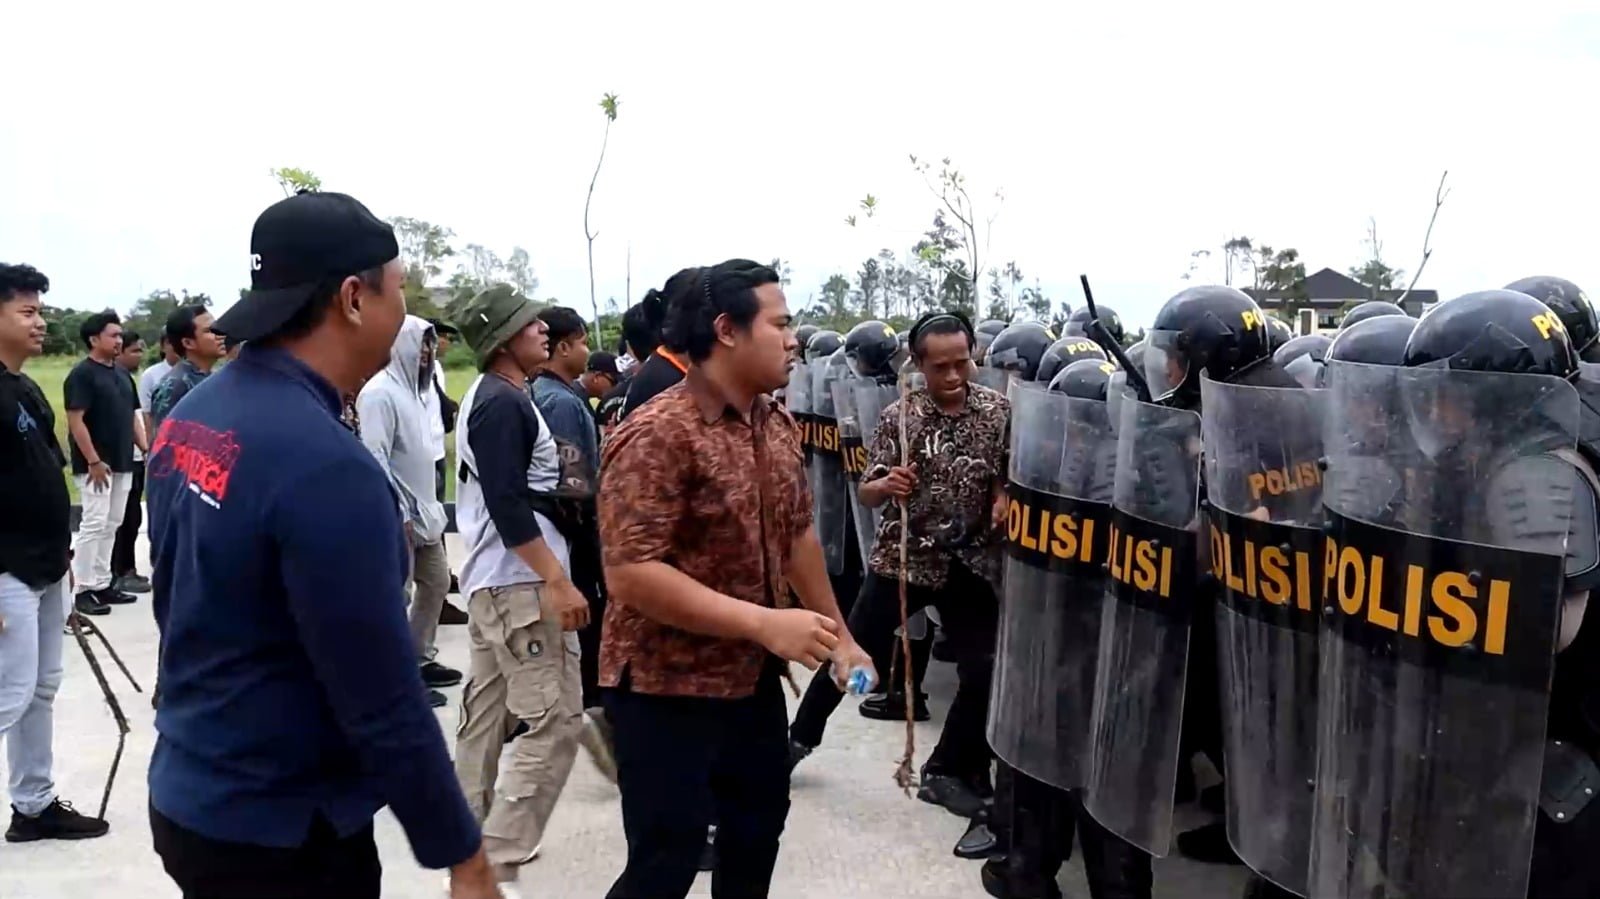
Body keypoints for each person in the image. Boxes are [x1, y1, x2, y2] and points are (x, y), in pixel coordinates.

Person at [144, 192, 499, 899]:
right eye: (399, 289)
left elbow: (174, 594)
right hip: (281, 830)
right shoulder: (327, 465)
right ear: (353, 298)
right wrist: (465, 853)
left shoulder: (194, 416)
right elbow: (384, 694)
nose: (405, 312)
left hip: (191, 789)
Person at [598, 258, 873, 899]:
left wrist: (842, 636)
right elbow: (632, 574)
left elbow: (798, 533)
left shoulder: (772, 423)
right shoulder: (656, 433)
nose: (793, 337)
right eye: (779, 323)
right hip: (664, 688)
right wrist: (764, 623)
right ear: (727, 329)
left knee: (755, 840)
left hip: (747, 682)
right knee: (666, 860)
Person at [789, 311, 1009, 821]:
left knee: (984, 671)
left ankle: (947, 768)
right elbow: (865, 491)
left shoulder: (1000, 412)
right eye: (940, 368)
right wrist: (885, 486)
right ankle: (798, 741)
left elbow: (1007, 475)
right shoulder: (898, 418)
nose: (953, 377)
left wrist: (1002, 498)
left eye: (962, 364)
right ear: (918, 364)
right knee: (849, 659)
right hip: (903, 562)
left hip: (968, 565)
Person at [451, 285, 589, 889]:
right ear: (505, 339)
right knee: (556, 720)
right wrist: (556, 580)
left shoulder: (501, 395)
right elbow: (509, 506)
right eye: (531, 323)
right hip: (520, 587)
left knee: (485, 715)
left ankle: (464, 835)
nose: (543, 330)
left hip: (497, 585)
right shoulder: (501, 405)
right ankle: (493, 858)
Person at [0, 262, 110, 844]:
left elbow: (43, 474)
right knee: (8, 692)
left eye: (40, 310)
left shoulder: (24, 388)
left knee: (40, 688)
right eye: (27, 311)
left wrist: (64, 555)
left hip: (45, 564)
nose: (40, 322)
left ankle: (33, 805)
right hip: (5, 570)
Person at [528, 304, 616, 781]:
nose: (586, 352)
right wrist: (592, 535)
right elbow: (571, 482)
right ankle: (593, 715)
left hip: (561, 533)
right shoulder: (561, 403)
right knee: (587, 623)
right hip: (573, 532)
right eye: (581, 343)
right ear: (563, 348)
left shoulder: (545, 393)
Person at [355, 316, 463, 709]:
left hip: (425, 514)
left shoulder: (418, 392)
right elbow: (375, 457)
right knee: (395, 596)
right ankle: (391, 677)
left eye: (431, 345)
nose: (428, 352)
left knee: (435, 584)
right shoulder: (380, 394)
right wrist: (396, 512)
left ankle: (418, 658)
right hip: (396, 516)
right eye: (421, 344)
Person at [63, 310, 141, 617]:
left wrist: (145, 448)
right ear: (94, 339)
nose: (119, 340)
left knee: (113, 523)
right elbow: (76, 421)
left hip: (123, 461)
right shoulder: (82, 375)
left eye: (121, 335)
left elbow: (132, 416)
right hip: (96, 465)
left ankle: (101, 582)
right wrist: (93, 460)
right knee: (94, 523)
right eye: (113, 335)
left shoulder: (122, 373)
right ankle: (82, 589)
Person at [108, 332, 153, 595]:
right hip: (117, 460)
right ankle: (115, 573)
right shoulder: (105, 377)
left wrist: (145, 448)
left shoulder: (124, 378)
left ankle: (127, 569)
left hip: (134, 457)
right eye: (134, 351)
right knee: (117, 521)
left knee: (133, 517)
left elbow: (133, 417)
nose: (139, 356)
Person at [148, 304, 223, 430]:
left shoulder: (216, 377)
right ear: (188, 343)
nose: (220, 335)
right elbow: (163, 442)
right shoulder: (174, 386)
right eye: (210, 331)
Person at [138, 332, 178, 431]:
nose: (177, 345)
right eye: (171, 342)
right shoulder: (150, 375)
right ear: (163, 347)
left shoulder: (198, 373)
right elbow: (147, 413)